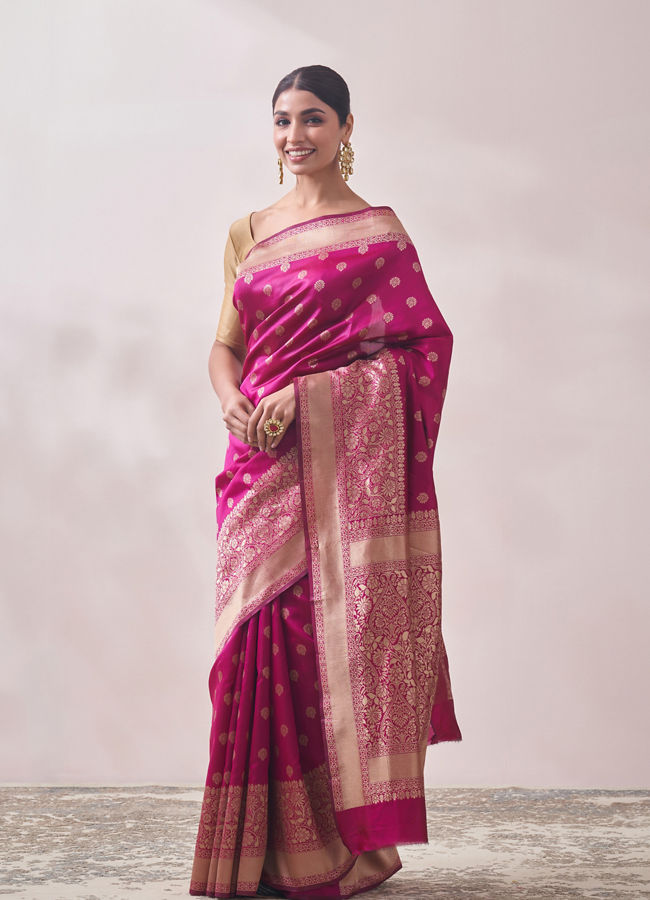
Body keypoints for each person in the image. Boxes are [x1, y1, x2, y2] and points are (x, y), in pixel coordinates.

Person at [189, 64, 462, 900]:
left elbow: (423, 349)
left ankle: (335, 851)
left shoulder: (379, 236)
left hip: (335, 468)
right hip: (257, 466)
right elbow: (225, 346)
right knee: (251, 648)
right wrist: (233, 399)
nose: (294, 135)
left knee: (319, 651)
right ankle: (254, 851)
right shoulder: (248, 231)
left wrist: (311, 397)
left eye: (312, 118)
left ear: (345, 128)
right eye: (282, 120)